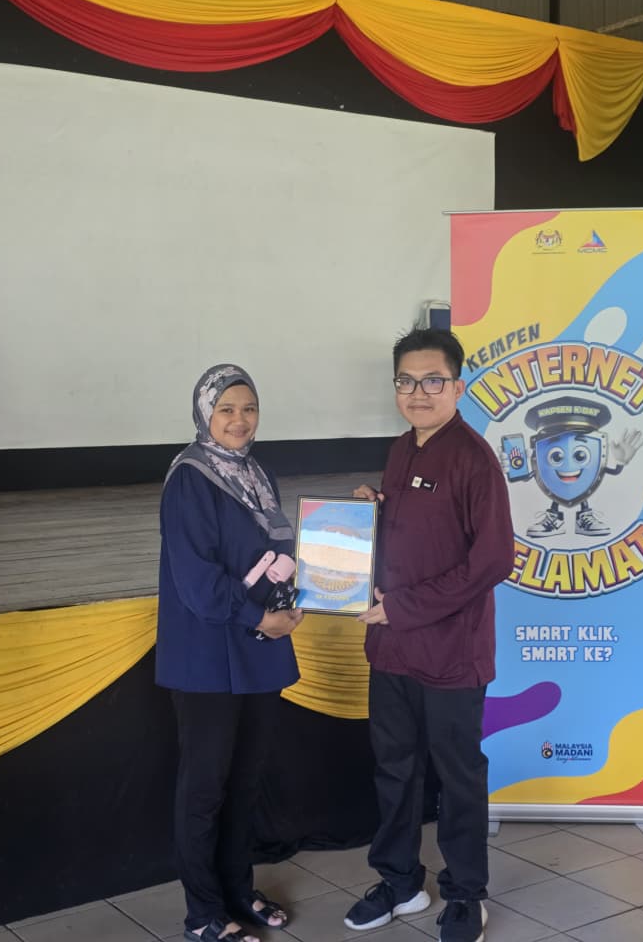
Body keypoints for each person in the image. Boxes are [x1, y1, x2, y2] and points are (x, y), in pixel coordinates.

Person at [344, 328, 514, 942]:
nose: (418, 392)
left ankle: (466, 893)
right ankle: (400, 882)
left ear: (458, 386)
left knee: (458, 776)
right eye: (407, 381)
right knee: (394, 771)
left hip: (450, 653)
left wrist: (406, 608)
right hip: (392, 651)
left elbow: (493, 561)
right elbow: (420, 535)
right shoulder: (401, 450)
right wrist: (373, 512)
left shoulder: (473, 458)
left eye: (433, 380)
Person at [156, 363, 303, 942]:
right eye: (226, 410)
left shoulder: (257, 472)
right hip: (208, 656)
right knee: (204, 789)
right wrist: (259, 615)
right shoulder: (190, 478)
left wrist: (293, 599)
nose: (239, 420)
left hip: (258, 648)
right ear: (204, 414)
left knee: (244, 782)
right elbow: (196, 581)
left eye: (249, 408)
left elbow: (273, 553)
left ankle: (238, 892)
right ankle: (204, 913)